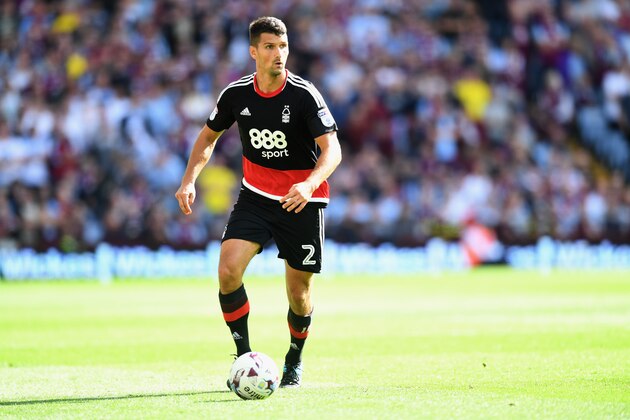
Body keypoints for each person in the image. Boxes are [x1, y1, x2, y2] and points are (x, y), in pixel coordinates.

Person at [175, 16, 342, 388]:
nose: (278, 54)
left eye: (283, 47)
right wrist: (189, 181)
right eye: (269, 47)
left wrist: (310, 183)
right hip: (255, 197)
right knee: (227, 270)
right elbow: (206, 138)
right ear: (253, 52)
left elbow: (332, 150)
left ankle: (294, 359)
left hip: (302, 202)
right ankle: (244, 358)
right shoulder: (235, 95)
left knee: (299, 294)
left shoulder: (304, 94)